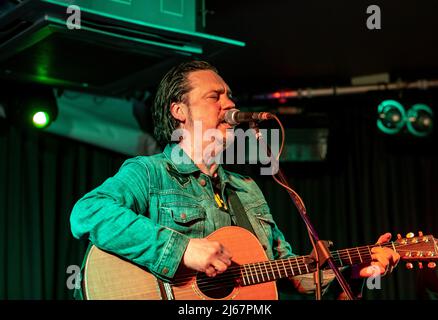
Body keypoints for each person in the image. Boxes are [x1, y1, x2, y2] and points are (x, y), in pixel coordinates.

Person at [70, 60, 400, 300]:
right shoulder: (149, 173)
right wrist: (183, 251)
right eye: (215, 96)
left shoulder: (247, 189)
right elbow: (88, 213)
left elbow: (289, 273)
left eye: (229, 96)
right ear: (179, 111)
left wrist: (354, 271)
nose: (229, 103)